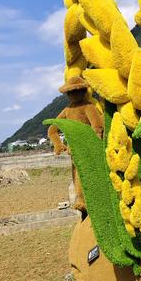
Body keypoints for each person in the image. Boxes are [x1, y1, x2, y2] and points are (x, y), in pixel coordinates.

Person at [47, 76, 104, 215]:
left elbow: (97, 127)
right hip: (76, 150)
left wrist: (96, 143)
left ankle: (86, 200)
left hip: (86, 149)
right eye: (70, 93)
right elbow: (52, 130)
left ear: (84, 91)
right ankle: (81, 200)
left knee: (84, 174)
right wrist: (58, 145)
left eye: (75, 92)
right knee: (77, 174)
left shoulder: (88, 107)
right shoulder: (67, 110)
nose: (72, 95)